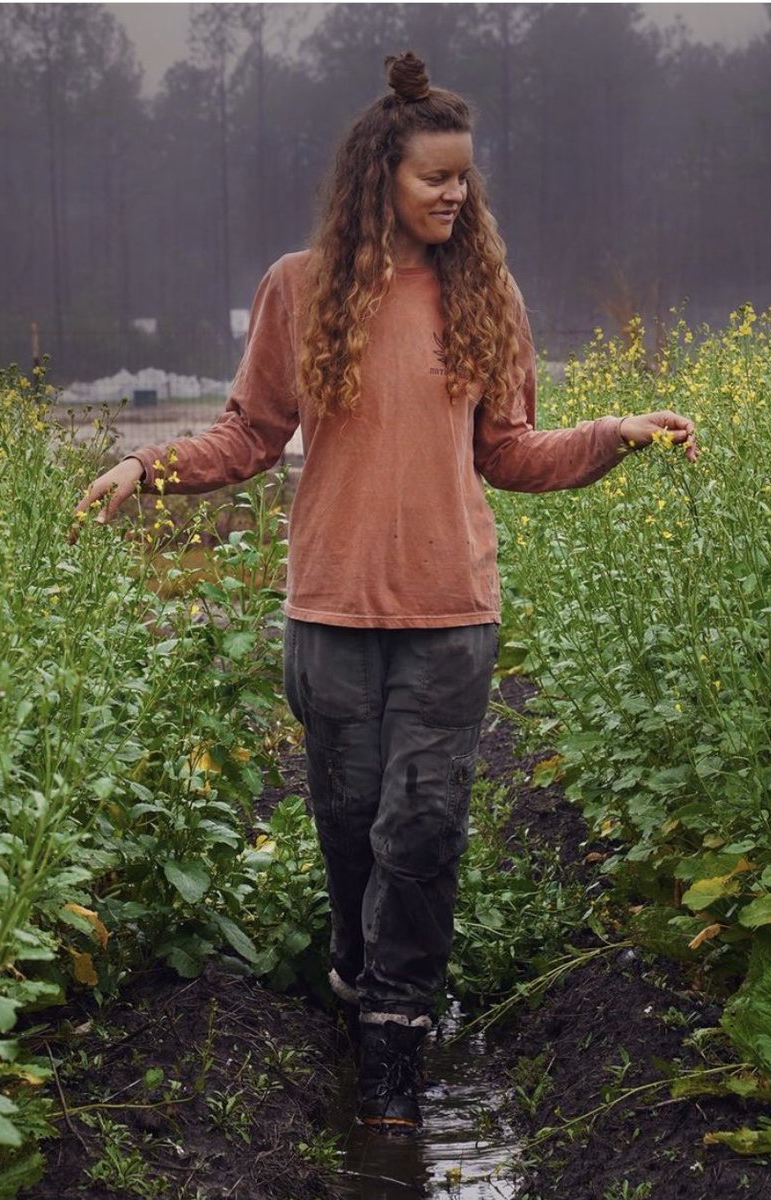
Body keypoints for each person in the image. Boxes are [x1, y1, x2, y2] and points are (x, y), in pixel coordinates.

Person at [75, 51, 696, 1136]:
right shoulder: (298, 289)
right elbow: (250, 432)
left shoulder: (483, 293)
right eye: (434, 178)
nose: (455, 195)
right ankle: (360, 992)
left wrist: (616, 435)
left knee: (424, 830)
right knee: (351, 828)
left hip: (451, 614)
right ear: (381, 181)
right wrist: (145, 468)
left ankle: (395, 1058)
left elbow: (506, 450)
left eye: (464, 178)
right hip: (330, 614)